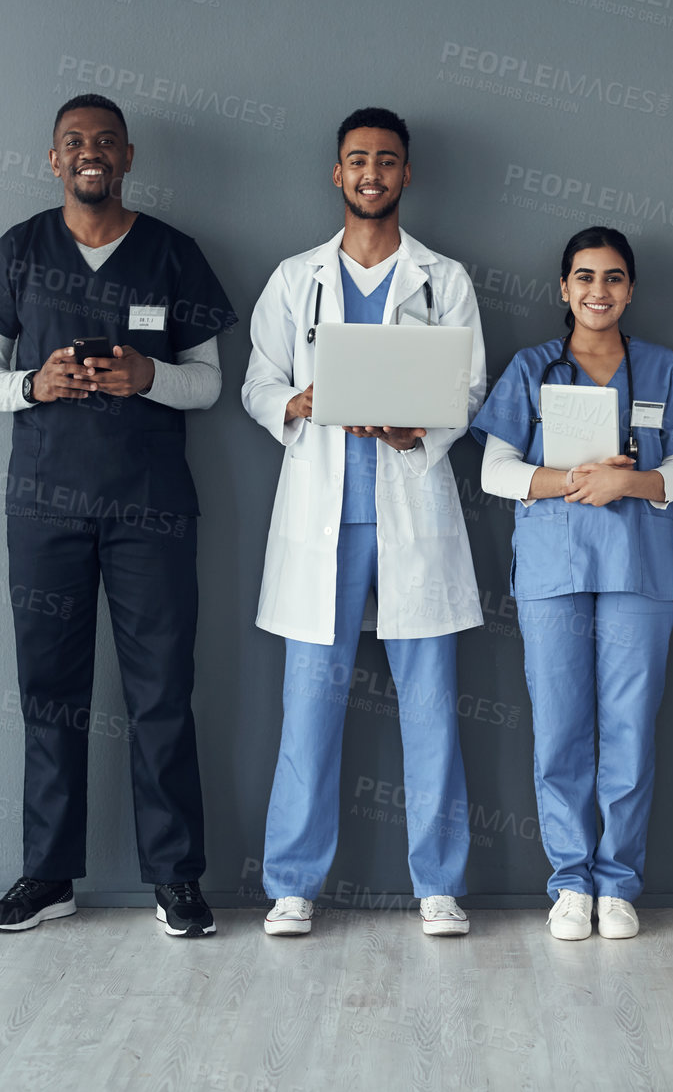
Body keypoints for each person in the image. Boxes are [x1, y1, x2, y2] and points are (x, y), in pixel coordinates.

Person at [0, 93, 235, 937]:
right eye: (75, 142)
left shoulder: (173, 255)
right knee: (50, 692)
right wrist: (33, 385)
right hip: (46, 508)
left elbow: (210, 382)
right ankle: (48, 874)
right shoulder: (18, 252)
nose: (91, 153)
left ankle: (176, 877)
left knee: (161, 693)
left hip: (150, 511)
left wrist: (149, 376)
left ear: (128, 156)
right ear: (54, 159)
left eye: (106, 142)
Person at [241, 107, 487, 937]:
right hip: (324, 519)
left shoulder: (443, 278)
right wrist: (296, 403)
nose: (372, 172)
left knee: (432, 710)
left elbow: (473, 390)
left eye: (387, 160)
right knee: (308, 710)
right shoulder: (293, 278)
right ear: (336, 175)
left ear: (407, 174)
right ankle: (293, 883)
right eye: (357, 160)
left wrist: (423, 426)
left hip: (411, 510)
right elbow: (256, 384)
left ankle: (440, 886)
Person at [471, 227, 673, 941]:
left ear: (630, 289)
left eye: (613, 278)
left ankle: (617, 883)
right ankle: (570, 881)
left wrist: (628, 482)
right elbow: (496, 470)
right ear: (563, 288)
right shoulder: (531, 369)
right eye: (584, 277)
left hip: (638, 571)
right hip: (554, 568)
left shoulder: (664, 370)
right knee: (560, 730)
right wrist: (575, 482)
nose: (598, 291)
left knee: (630, 731)